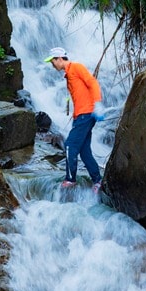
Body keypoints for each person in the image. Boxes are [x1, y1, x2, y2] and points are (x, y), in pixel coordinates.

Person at [44, 47, 105, 192]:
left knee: (70, 145)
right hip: (81, 116)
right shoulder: (68, 74)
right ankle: (98, 181)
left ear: (59, 58)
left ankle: (70, 180)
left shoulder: (76, 67)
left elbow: (92, 82)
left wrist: (97, 103)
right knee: (84, 151)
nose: (52, 65)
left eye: (53, 61)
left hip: (87, 114)